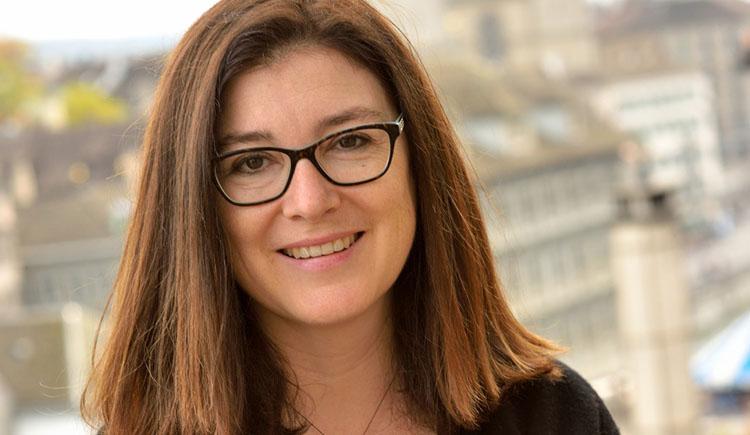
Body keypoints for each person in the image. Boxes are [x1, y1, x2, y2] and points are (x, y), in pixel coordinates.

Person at [81, 0, 620, 434]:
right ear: (195, 208)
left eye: (351, 142)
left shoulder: (556, 418)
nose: (311, 201)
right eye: (252, 162)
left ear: (420, 165)